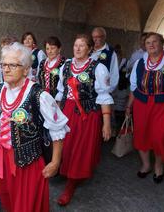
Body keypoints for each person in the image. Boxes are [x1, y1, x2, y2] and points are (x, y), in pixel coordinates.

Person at [0, 42, 69, 212]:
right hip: (3, 158)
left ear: (26, 69)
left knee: (26, 206)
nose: (6, 69)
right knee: (8, 200)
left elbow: (58, 129)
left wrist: (55, 162)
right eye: (4, 64)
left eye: (13, 65)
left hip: (28, 162)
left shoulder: (39, 95)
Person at [55, 34, 113, 206]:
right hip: (66, 111)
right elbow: (61, 91)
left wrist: (107, 123)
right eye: (75, 45)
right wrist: (56, 114)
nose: (78, 48)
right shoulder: (65, 66)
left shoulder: (98, 68)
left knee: (80, 149)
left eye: (82, 45)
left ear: (89, 48)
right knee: (65, 145)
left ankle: (71, 184)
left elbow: (103, 96)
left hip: (86, 115)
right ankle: (63, 170)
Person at [126, 32, 164, 184]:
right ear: (144, 46)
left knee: (160, 136)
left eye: (155, 41)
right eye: (148, 43)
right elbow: (134, 87)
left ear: (162, 43)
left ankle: (158, 165)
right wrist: (129, 107)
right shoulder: (140, 63)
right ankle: (146, 164)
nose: (151, 45)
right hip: (142, 105)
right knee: (141, 135)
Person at [90, 27, 119, 92]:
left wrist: (108, 91)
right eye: (93, 37)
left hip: (102, 91)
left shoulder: (110, 52)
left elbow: (114, 73)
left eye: (98, 37)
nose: (95, 39)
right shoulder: (88, 50)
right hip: (87, 90)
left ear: (104, 37)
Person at [112, 44, 129, 131]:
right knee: (116, 107)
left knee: (118, 107)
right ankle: (117, 128)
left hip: (120, 87)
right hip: (117, 87)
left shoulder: (125, 61)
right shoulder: (115, 61)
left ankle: (118, 128)